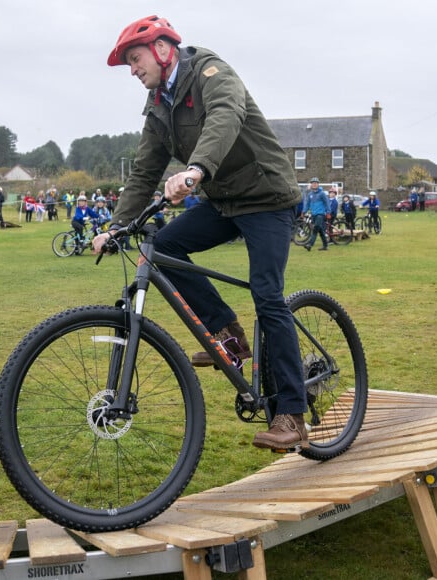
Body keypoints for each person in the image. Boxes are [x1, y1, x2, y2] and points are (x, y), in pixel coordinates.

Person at [94, 15, 308, 451]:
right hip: (224, 201)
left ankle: (292, 413)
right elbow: (145, 170)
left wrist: (195, 170)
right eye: (129, 64)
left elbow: (226, 118)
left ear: (161, 49)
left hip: (267, 196)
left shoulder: (211, 71)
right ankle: (226, 334)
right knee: (165, 246)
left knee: (268, 296)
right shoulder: (158, 106)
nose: (133, 70)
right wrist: (115, 225)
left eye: (135, 60)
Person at [302, 178, 329, 251]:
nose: (314, 184)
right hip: (313, 214)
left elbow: (327, 203)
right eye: (313, 183)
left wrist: (328, 212)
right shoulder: (310, 194)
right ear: (311, 184)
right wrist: (303, 212)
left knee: (315, 229)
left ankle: (310, 244)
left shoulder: (322, 194)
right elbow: (307, 204)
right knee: (320, 230)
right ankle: (325, 246)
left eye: (316, 183)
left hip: (320, 214)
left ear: (318, 184)